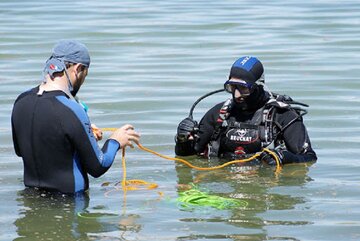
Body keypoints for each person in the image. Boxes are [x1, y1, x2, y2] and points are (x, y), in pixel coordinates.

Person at [11, 40, 140, 194]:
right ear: (78, 69)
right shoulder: (72, 109)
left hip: (31, 196)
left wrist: (80, 135)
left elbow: (22, 150)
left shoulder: (21, 101)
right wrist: (115, 141)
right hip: (71, 203)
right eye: (85, 75)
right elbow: (98, 166)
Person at [175, 56, 317, 165]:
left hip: (265, 186)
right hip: (224, 182)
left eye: (243, 88)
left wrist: (285, 158)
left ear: (258, 86)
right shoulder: (220, 114)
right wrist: (183, 140)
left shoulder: (283, 115)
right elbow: (187, 155)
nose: (236, 95)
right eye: (232, 87)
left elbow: (309, 158)